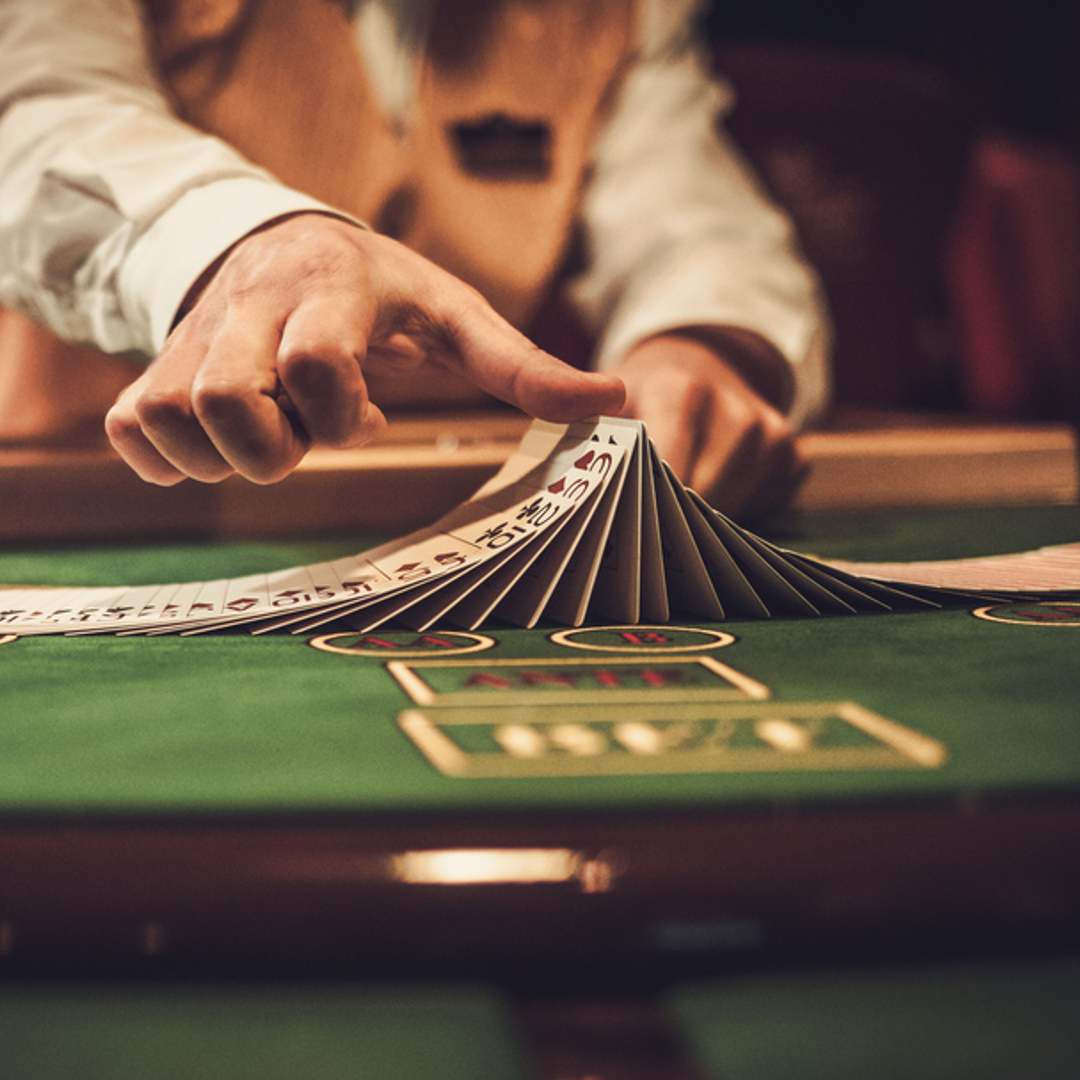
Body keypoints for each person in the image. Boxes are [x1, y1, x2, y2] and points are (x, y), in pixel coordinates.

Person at [0, 0, 830, 518]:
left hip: (450, 516)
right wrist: (250, 246)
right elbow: (39, 117)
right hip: (92, 503)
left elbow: (694, 216)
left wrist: (701, 342)